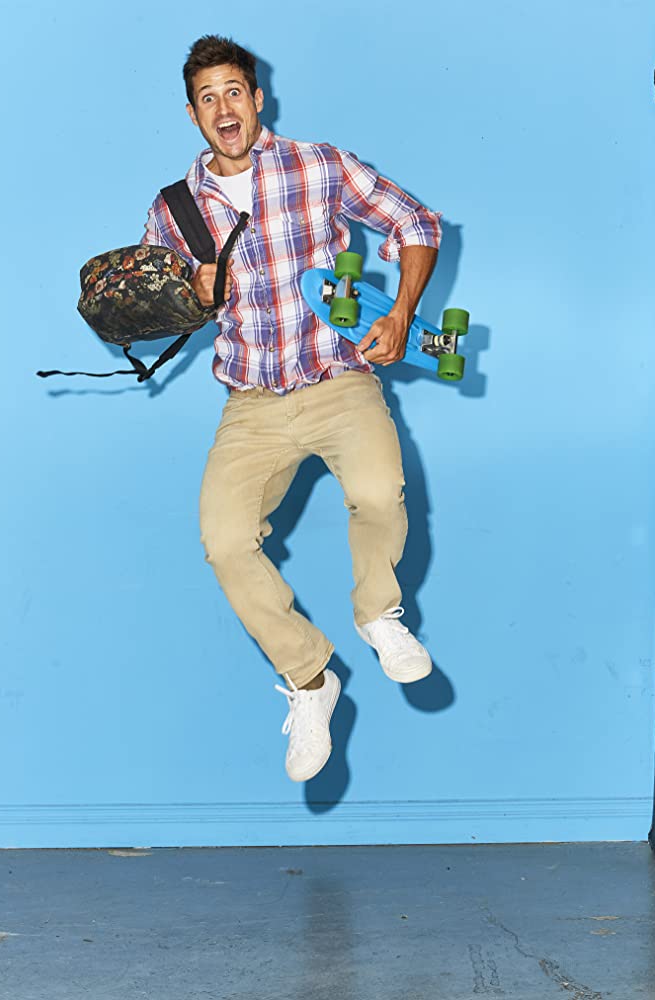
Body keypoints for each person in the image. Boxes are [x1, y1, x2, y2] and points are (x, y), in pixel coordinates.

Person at [142, 35, 442, 783]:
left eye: (233, 91)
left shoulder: (318, 165)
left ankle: (378, 615)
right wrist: (190, 296)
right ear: (193, 115)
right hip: (251, 402)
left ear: (257, 98)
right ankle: (310, 679)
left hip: (338, 379)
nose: (223, 108)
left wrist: (401, 314)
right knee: (224, 542)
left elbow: (417, 224)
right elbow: (160, 312)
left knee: (379, 492)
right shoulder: (175, 209)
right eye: (207, 98)